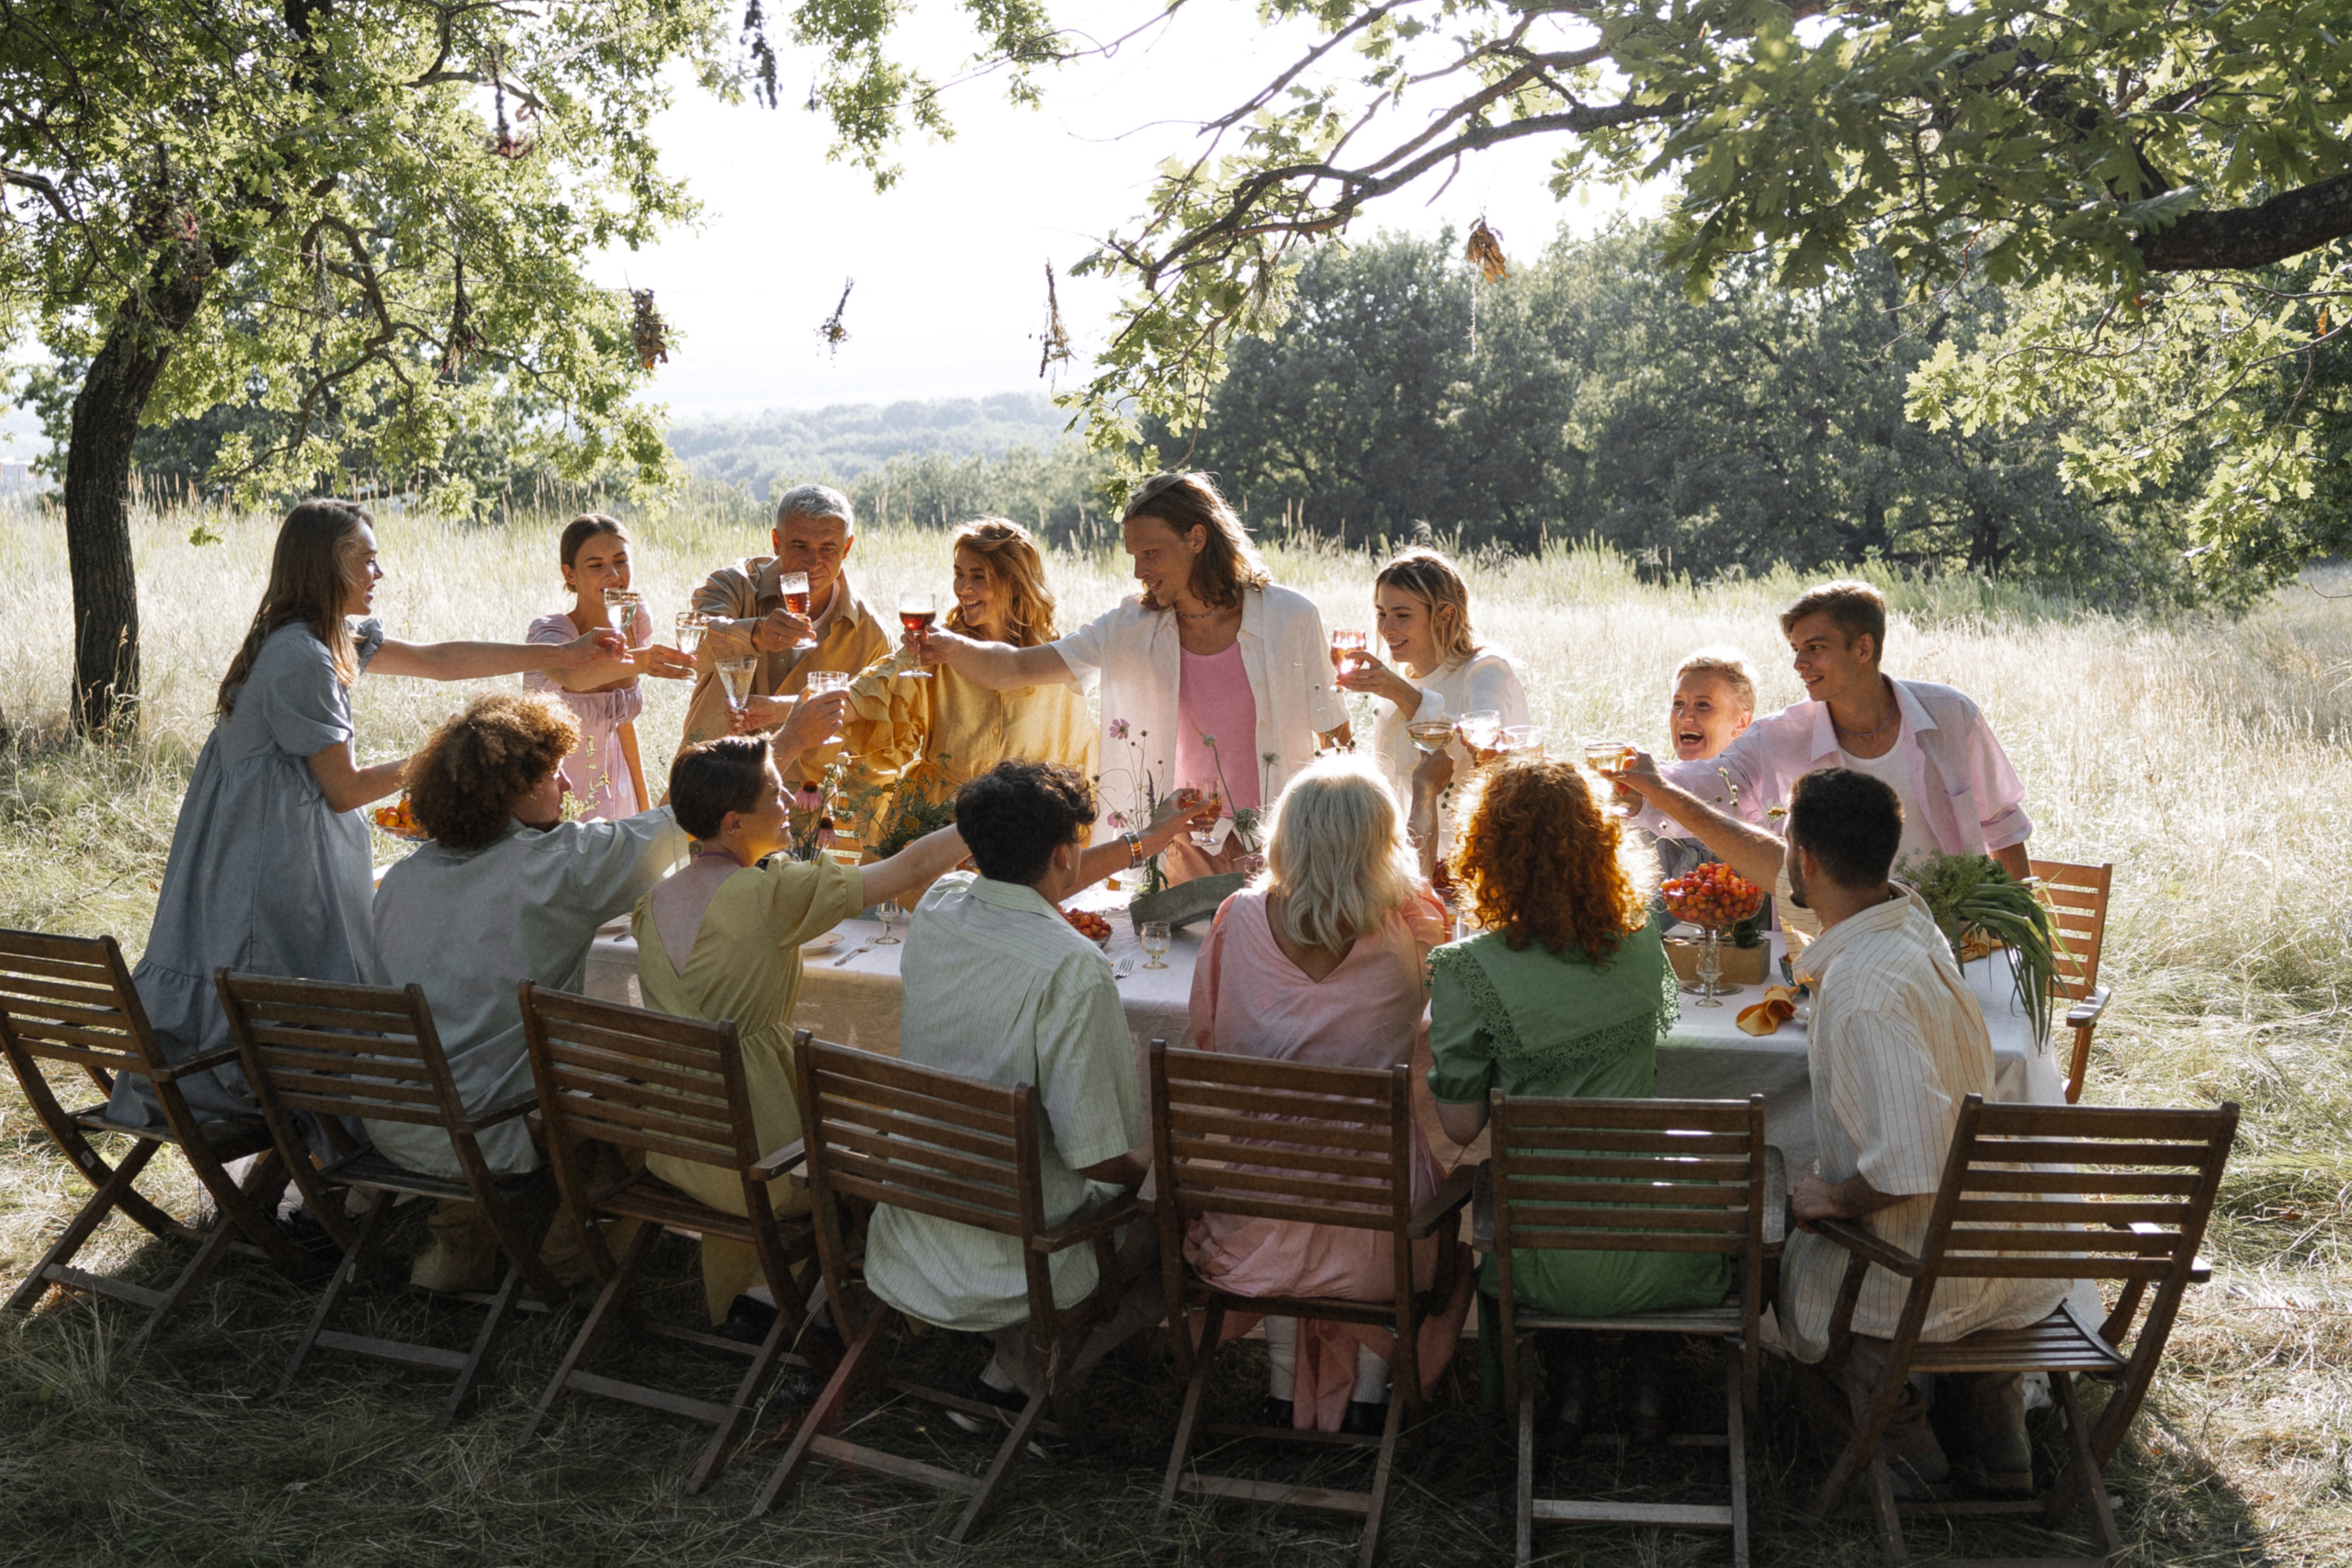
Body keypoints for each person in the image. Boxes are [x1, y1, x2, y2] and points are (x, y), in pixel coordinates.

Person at [113, 499, 627, 1129]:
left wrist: (568, 656)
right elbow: (345, 787)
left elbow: (439, 661)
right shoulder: (300, 656)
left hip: (276, 842)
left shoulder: (322, 636)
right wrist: (448, 759)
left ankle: (311, 1158)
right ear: (327, 564)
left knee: (294, 999)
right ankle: (308, 1152)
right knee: (282, 996)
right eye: (367, 559)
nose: (379, 572)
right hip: (269, 857)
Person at [1777, 767, 2070, 1498]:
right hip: (1994, 1251)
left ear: (1805, 859)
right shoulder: (1915, 924)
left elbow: (1911, 1160)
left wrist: (1831, 1198)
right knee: (1924, 1248)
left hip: (1916, 1269)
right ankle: (1994, 1427)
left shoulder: (1860, 989)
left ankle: (1900, 1437)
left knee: (1790, 1273)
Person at [1424, 757, 1732, 1444]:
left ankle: (1570, 1382)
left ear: (1484, 854)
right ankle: (1648, 1380)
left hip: (1543, 1256)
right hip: (1662, 1252)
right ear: (1602, 847)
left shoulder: (1466, 968)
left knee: (1524, 1186)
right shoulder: (1638, 942)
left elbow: (1462, 1124)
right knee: (1630, 1178)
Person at [635, 734, 970, 1337]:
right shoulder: (768, 891)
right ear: (735, 820)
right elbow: (912, 868)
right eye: (774, 790)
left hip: (681, 1142)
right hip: (761, 1154)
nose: (791, 797)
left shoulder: (652, 900)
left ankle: (759, 1302)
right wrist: (986, 813)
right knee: (877, 1143)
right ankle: (800, 1306)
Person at [862, 761, 1164, 1413]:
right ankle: (1024, 1373)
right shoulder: (1073, 967)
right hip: (1022, 1256)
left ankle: (1010, 1369)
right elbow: (1098, 1152)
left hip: (916, 1220)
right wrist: (1153, 1170)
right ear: (1063, 854)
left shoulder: (939, 908)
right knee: (1175, 1213)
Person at [363, 693, 689, 1291]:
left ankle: (460, 1239)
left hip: (392, 1123)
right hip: (487, 1131)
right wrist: (783, 744)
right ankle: (571, 1256)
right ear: (509, 789)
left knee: (559, 1057)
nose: (566, 782)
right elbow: (673, 825)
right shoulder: (553, 866)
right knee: (654, 1069)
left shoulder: (400, 879)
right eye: (549, 772)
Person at [1183, 756, 1464, 1434]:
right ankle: (1369, 1397)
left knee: (1283, 1157)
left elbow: (1209, 1041)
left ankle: (1285, 1390)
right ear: (1383, 842)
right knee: (1413, 1188)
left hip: (1253, 1221)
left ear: (1285, 836)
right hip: (1381, 1228)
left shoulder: (1236, 918)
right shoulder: (1414, 923)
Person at [913, 472, 1349, 883]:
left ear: (1197, 537)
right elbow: (1017, 667)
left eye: (1151, 553)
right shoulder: (1130, 626)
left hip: (1288, 850)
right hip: (1181, 852)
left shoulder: (1291, 617)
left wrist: (1342, 842)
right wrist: (948, 645)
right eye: (1135, 556)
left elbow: (1337, 737)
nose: (1139, 570)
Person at [1648, 580, 2033, 880]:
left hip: (1952, 938)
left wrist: (2027, 936)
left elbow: (2003, 826)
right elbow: (1708, 783)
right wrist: (1637, 785)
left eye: (1815, 647)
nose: (1799, 663)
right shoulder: (1777, 735)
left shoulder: (1951, 715)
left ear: (1863, 648)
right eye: (1796, 649)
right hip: (1830, 944)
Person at [829, 516, 1097, 832]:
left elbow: (1076, 761)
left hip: (1022, 835)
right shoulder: (936, 647)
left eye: (978, 576)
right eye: (959, 573)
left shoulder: (1053, 660)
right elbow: (864, 697)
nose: (963, 588)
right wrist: (782, 712)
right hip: (935, 825)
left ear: (1013, 583)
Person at [1334, 546, 1529, 855]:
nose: (1386, 629)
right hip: (1413, 852)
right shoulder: (1399, 685)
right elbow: (1392, 782)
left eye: (1402, 615)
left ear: (1445, 614)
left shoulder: (1486, 669)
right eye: (1382, 614)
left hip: (1479, 850)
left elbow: (1481, 750)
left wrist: (1404, 695)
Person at [679, 482, 891, 758]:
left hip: (806, 796)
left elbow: (877, 730)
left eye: (827, 548)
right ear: (776, 542)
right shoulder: (734, 584)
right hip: (710, 780)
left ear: (847, 547)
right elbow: (693, 645)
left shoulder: (869, 634)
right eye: (799, 546)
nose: (812, 562)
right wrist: (756, 635)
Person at [524, 513, 695, 821]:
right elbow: (572, 676)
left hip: (618, 793)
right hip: (557, 798)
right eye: (596, 565)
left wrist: (644, 809)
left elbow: (622, 723)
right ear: (570, 574)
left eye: (621, 561)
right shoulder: (551, 632)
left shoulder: (634, 619)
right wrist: (641, 661)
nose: (614, 575)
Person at [1651, 646, 1761, 882]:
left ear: (1741, 722)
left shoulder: (1762, 797)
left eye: (1703, 705)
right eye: (1678, 704)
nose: (1684, 717)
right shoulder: (1646, 788)